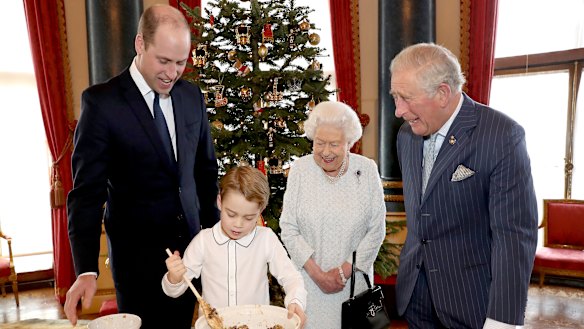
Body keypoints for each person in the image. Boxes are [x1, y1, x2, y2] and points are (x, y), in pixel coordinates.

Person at [64, 5, 219, 329]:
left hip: (192, 253)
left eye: (180, 62)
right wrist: (86, 269)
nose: (172, 72)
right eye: (163, 61)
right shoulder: (102, 104)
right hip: (138, 265)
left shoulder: (192, 97)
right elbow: (86, 195)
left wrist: (215, 241)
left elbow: (204, 174)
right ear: (139, 44)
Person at [390, 42, 538, 328]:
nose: (398, 110)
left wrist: (502, 320)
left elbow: (514, 236)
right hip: (416, 296)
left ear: (443, 93)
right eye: (395, 96)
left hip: (471, 301)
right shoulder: (406, 136)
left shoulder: (502, 136)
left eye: (406, 98)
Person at [279, 101, 387, 328]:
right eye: (319, 143)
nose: (326, 152)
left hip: (354, 286)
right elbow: (288, 227)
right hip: (308, 284)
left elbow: (376, 229)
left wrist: (343, 271)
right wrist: (317, 274)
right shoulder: (300, 170)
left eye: (334, 144)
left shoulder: (366, 170)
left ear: (349, 143)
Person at [163, 166, 307, 328]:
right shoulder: (203, 241)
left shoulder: (265, 239)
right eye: (231, 214)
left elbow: (292, 278)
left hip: (256, 324)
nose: (238, 225)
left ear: (260, 210)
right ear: (219, 202)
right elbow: (174, 291)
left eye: (248, 218)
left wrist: (296, 301)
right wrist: (174, 278)